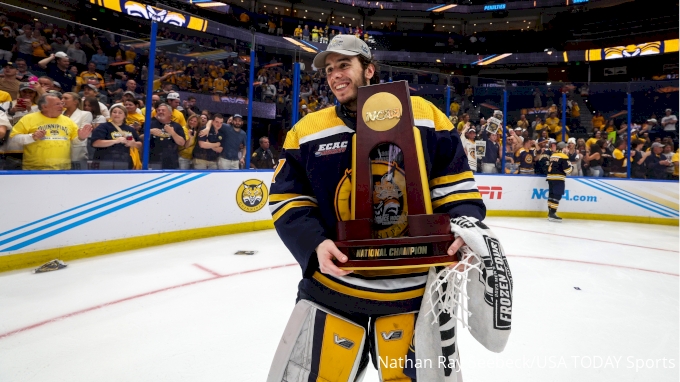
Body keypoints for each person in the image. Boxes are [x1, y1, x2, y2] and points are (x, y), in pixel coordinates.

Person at [268, 35, 489, 381]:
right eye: (329, 69)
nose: (335, 75)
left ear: (368, 69)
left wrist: (463, 227)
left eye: (344, 65)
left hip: (414, 286)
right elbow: (287, 197)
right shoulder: (307, 131)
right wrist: (314, 243)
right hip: (335, 285)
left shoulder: (425, 115)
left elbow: (454, 183)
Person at [9, 93, 91, 170]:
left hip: (63, 168)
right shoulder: (28, 118)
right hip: (34, 169)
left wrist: (80, 138)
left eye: (61, 104)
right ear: (44, 106)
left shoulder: (68, 121)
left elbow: (74, 142)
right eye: (57, 104)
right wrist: (32, 137)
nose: (62, 107)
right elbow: (14, 140)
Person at [91, 104, 142, 169]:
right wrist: (115, 141)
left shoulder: (130, 129)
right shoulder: (103, 127)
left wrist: (133, 143)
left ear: (125, 115)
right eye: (114, 112)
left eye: (120, 113)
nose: (117, 114)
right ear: (111, 114)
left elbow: (140, 144)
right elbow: (96, 143)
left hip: (126, 162)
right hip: (105, 162)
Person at [148, 103, 186, 169]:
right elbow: (140, 138)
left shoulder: (176, 126)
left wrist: (172, 133)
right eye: (158, 110)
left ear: (170, 113)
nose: (160, 112)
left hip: (171, 161)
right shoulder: (150, 123)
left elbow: (182, 143)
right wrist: (149, 132)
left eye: (163, 110)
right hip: (153, 160)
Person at [547, 142, 573, 222]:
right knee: (557, 195)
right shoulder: (563, 156)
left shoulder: (553, 155)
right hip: (558, 178)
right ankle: (553, 214)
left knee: (551, 195)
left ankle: (550, 212)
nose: (567, 149)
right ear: (563, 148)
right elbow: (568, 171)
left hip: (550, 177)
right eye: (566, 147)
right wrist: (572, 166)